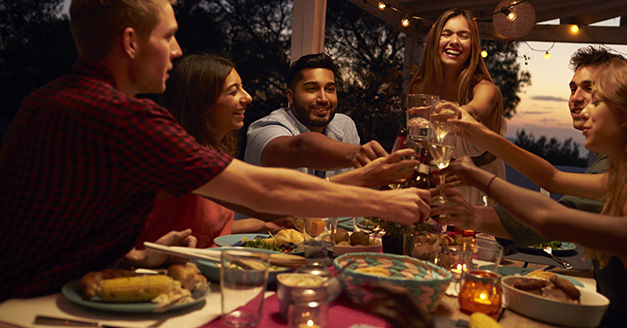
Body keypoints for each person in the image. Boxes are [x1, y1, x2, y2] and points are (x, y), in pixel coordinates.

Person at [0, 0, 429, 300]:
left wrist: (133, 255)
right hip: (33, 302)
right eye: (168, 36)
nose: (177, 50)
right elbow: (262, 191)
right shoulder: (125, 117)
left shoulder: (45, 99)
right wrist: (386, 203)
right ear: (130, 42)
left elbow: (58, 218)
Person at [445, 68, 627, 327]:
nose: (583, 105)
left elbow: (550, 217)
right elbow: (550, 190)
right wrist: (478, 156)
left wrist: (479, 180)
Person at [436, 46, 627, 327]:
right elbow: (551, 179)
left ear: (625, 102)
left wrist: (475, 209)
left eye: (590, 91)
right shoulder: (611, 159)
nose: (576, 99)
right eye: (573, 88)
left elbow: (554, 216)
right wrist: (482, 138)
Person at [129, 54, 289, 250]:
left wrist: (261, 225)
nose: (247, 97)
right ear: (202, 103)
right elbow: (263, 193)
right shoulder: (182, 160)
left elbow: (197, 229)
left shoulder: (214, 151)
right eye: (233, 91)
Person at [245, 53, 411, 187]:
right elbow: (300, 148)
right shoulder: (265, 127)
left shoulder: (344, 125)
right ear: (290, 95)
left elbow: (354, 192)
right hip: (260, 229)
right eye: (312, 89)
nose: (323, 98)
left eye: (330, 89)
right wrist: (355, 154)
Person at [408, 8, 506, 206]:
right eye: (447, 34)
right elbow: (418, 144)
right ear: (436, 40)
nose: (454, 41)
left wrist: (453, 113)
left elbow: (475, 110)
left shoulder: (485, 89)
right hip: (440, 180)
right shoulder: (420, 87)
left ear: (473, 45)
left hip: (482, 184)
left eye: (464, 36)